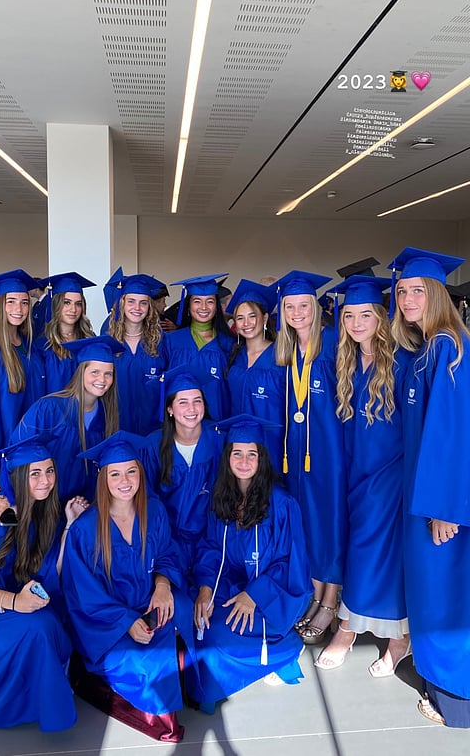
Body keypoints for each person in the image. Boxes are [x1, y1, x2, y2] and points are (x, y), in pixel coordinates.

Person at [62, 431, 196, 742]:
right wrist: (126, 622)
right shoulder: (85, 529)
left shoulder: (154, 510)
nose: (125, 481)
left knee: (186, 621)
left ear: (140, 473)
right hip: (106, 625)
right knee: (147, 667)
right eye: (115, 474)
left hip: (149, 605)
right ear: (103, 478)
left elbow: (168, 553)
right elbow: (83, 595)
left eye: (131, 471)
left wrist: (162, 584)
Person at [313, 276, 411, 674]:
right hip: (354, 471)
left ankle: (353, 629)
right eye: (349, 315)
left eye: (365, 315)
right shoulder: (346, 361)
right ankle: (394, 634)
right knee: (363, 549)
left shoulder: (402, 360)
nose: (356, 323)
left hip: (389, 473)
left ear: (381, 318)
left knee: (370, 551)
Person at [391, 246, 470, 728]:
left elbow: (452, 434)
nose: (407, 299)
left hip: (439, 506)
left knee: (445, 600)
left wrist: (446, 508)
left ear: (437, 294)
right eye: (402, 291)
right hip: (422, 498)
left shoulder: (449, 348)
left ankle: (455, 702)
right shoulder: (427, 349)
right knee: (431, 594)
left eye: (417, 290)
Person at [188, 415, 310, 708]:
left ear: (261, 458)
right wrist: (205, 589)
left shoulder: (281, 504)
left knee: (216, 639)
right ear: (227, 457)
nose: (244, 461)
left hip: (272, 597)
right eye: (237, 453)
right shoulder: (222, 498)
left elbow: (290, 562)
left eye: (251, 454)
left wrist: (254, 595)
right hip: (231, 587)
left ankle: (286, 650)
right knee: (200, 623)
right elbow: (211, 548)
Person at [0, 435, 88, 732]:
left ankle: (38, 699)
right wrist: (15, 602)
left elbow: (50, 576)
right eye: (35, 473)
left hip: (22, 610)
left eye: (49, 470)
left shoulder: (46, 515)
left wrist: (69, 526)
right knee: (40, 627)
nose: (45, 480)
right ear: (18, 476)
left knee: (48, 623)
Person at [274, 270, 346, 645]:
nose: (297, 313)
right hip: (296, 454)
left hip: (329, 450)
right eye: (290, 306)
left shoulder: (332, 342)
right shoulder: (286, 350)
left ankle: (331, 600)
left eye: (304, 305)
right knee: (308, 523)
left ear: (316, 309)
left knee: (330, 521)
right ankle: (315, 595)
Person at [3, 336, 122, 506]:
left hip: (81, 506)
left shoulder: (107, 415)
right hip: (44, 505)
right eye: (95, 372)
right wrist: (7, 497)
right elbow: (16, 453)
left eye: (108, 374)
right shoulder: (49, 408)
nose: (102, 380)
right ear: (81, 372)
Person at [143, 363, 223, 586]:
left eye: (197, 401)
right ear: (169, 409)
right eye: (183, 402)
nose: (192, 408)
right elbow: (148, 498)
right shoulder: (153, 445)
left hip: (211, 538)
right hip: (168, 540)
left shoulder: (219, 439)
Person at [0, 270, 45, 497]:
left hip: (33, 448)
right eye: (11, 301)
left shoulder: (29, 345)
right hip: (5, 452)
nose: (19, 309)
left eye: (24, 302)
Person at [226, 279, 285, 471]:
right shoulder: (235, 356)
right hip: (239, 444)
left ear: (265, 318)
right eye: (240, 318)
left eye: (252, 316)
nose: (246, 323)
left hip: (272, 442)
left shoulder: (281, 357)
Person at [104, 273, 168, 435]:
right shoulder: (107, 343)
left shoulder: (162, 342)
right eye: (131, 301)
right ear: (122, 304)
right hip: (116, 427)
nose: (137, 308)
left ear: (149, 307)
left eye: (143, 303)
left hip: (154, 428)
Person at [166, 274, 234, 420]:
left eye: (210, 301)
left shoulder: (228, 343)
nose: (203, 307)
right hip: (181, 421)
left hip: (218, 418)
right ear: (188, 305)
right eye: (197, 301)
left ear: (216, 306)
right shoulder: (171, 341)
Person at [35, 272, 95, 393]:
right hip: (54, 404)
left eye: (78, 304)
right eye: (66, 302)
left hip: (86, 404)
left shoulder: (90, 339)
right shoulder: (42, 345)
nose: (73, 309)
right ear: (56, 304)